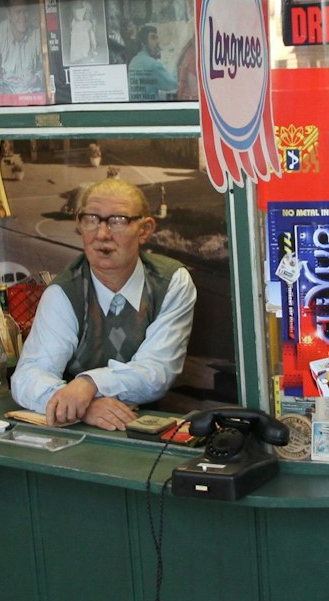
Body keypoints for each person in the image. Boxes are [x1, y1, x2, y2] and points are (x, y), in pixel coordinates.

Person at [11, 178, 197, 430]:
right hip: (80, 433)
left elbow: (156, 372)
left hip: (150, 428)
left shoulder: (171, 282)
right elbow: (27, 376)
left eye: (118, 220)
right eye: (91, 219)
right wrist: (78, 404)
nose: (101, 234)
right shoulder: (64, 291)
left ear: (144, 230)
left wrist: (89, 385)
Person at [126, 24, 178, 101]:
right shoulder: (152, 64)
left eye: (157, 38)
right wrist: (176, 63)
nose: (157, 42)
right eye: (153, 38)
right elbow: (173, 84)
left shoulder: (133, 62)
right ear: (143, 43)